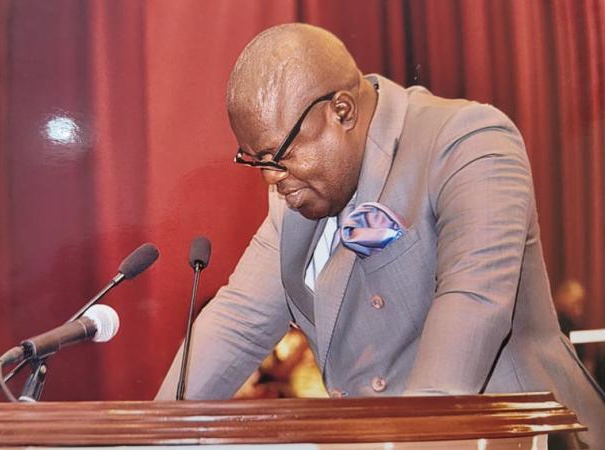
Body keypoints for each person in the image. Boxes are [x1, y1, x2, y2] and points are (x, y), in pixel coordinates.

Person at [155, 24, 604, 448]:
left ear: (342, 112)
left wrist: (407, 441)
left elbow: (473, 303)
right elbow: (237, 321)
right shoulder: (297, 199)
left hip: (518, 440)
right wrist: (153, 436)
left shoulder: (467, 141)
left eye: (280, 156)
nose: (271, 179)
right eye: (257, 161)